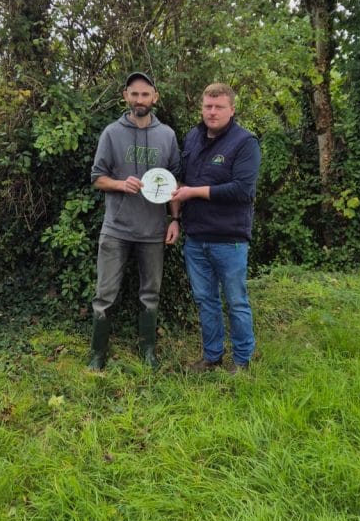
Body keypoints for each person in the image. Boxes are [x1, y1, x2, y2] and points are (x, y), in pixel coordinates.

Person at [88, 71, 181, 370]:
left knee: (150, 294)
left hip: (153, 231)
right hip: (116, 230)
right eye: (134, 94)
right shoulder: (111, 133)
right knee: (105, 295)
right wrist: (119, 184)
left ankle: (148, 351)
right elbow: (97, 178)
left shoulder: (167, 136)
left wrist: (175, 219)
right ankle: (97, 354)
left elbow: (175, 184)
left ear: (155, 97)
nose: (140, 99)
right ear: (126, 96)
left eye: (145, 94)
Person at [173, 83, 261, 373]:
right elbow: (181, 181)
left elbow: (242, 190)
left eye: (219, 107)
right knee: (205, 300)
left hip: (229, 240)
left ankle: (242, 361)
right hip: (195, 238)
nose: (212, 112)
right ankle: (212, 357)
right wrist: (175, 213)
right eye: (208, 106)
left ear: (232, 109)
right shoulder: (192, 138)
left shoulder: (245, 142)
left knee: (235, 301)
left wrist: (194, 192)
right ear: (202, 107)